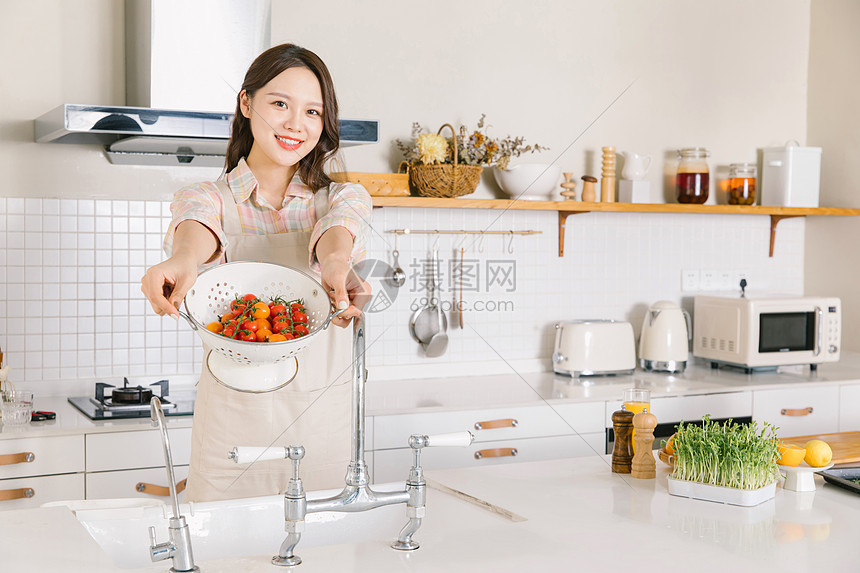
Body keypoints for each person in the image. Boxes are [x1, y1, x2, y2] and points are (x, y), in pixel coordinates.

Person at [141, 44, 371, 502]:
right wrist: (183, 261)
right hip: (233, 419)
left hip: (320, 418)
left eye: (312, 111)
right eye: (280, 104)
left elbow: (336, 235)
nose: (295, 124)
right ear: (246, 103)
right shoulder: (209, 196)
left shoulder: (343, 197)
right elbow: (197, 227)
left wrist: (335, 265)